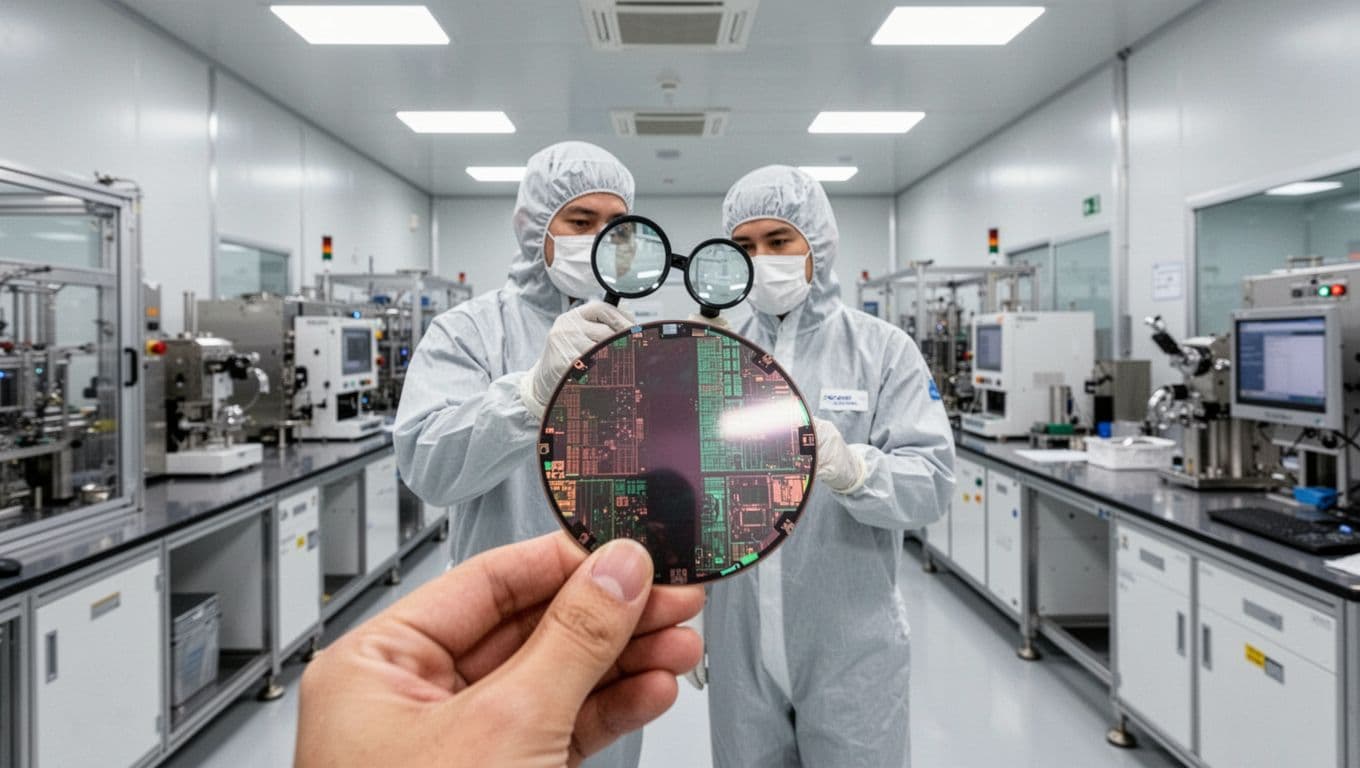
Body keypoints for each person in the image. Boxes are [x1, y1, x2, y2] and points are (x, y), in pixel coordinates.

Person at [394, 141, 643, 766]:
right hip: (500, 627)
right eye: (580, 222)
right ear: (537, 228)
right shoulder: (469, 332)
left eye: (616, 226)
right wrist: (531, 393)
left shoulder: (637, 338)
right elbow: (428, 465)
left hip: (612, 614)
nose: (599, 238)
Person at [704, 165, 956, 767]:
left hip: (850, 641)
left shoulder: (882, 350)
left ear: (815, 244)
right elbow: (687, 497)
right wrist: (685, 610)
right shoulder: (716, 351)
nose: (762, 258)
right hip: (739, 641)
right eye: (745, 246)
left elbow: (934, 483)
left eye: (778, 241)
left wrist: (856, 471)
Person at [295, 534, 705, 768]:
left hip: (605, 627)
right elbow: (429, 468)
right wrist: (521, 402)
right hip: (485, 626)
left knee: (606, 729)